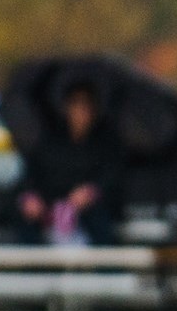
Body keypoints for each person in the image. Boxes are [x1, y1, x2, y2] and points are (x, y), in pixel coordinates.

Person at [14, 81, 124, 246]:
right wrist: (31, 198)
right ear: (66, 107)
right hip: (49, 210)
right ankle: (34, 270)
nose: (81, 111)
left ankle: (106, 270)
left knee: (99, 221)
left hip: (91, 213)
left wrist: (90, 192)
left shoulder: (107, 142)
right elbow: (31, 176)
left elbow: (112, 178)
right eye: (76, 104)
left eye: (86, 105)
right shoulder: (50, 140)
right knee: (26, 221)